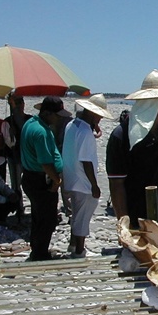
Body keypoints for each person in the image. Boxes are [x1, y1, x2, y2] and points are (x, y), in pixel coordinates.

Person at [106, 69, 158, 229]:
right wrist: (124, 224)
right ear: (157, 104)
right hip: (136, 217)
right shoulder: (122, 136)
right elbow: (116, 183)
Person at [63, 94, 113, 258]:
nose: (100, 119)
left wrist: (93, 128)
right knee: (83, 217)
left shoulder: (72, 125)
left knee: (76, 214)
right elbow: (86, 161)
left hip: (71, 177)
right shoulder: (84, 132)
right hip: (83, 181)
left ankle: (72, 244)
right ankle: (79, 250)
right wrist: (94, 185)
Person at [20, 96, 69, 261]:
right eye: (57, 115)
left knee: (38, 216)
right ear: (47, 113)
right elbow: (46, 163)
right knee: (47, 219)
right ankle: (40, 253)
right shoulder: (41, 131)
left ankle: (38, 249)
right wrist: (57, 181)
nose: (59, 118)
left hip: (30, 177)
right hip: (40, 179)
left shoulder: (31, 123)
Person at [4, 94, 33, 218]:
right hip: (14, 157)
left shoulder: (30, 119)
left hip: (28, 157)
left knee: (31, 183)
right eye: (16, 102)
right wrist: (12, 135)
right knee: (16, 184)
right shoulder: (7, 122)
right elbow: (8, 142)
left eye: (21, 102)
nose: (19, 105)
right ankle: (19, 208)